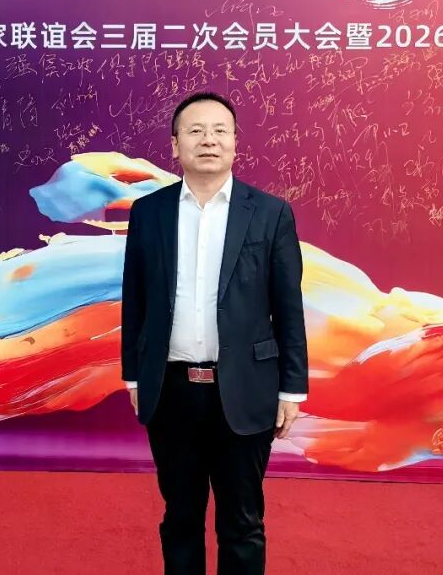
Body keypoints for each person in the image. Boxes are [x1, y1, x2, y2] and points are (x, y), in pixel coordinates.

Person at [121, 91, 308, 575]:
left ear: (235, 142)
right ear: (175, 144)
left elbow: (288, 308)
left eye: (220, 130)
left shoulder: (270, 212)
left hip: (245, 387)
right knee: (180, 516)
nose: (209, 140)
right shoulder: (149, 213)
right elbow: (135, 299)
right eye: (196, 130)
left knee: (242, 522)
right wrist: (134, 377)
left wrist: (292, 388)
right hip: (171, 389)